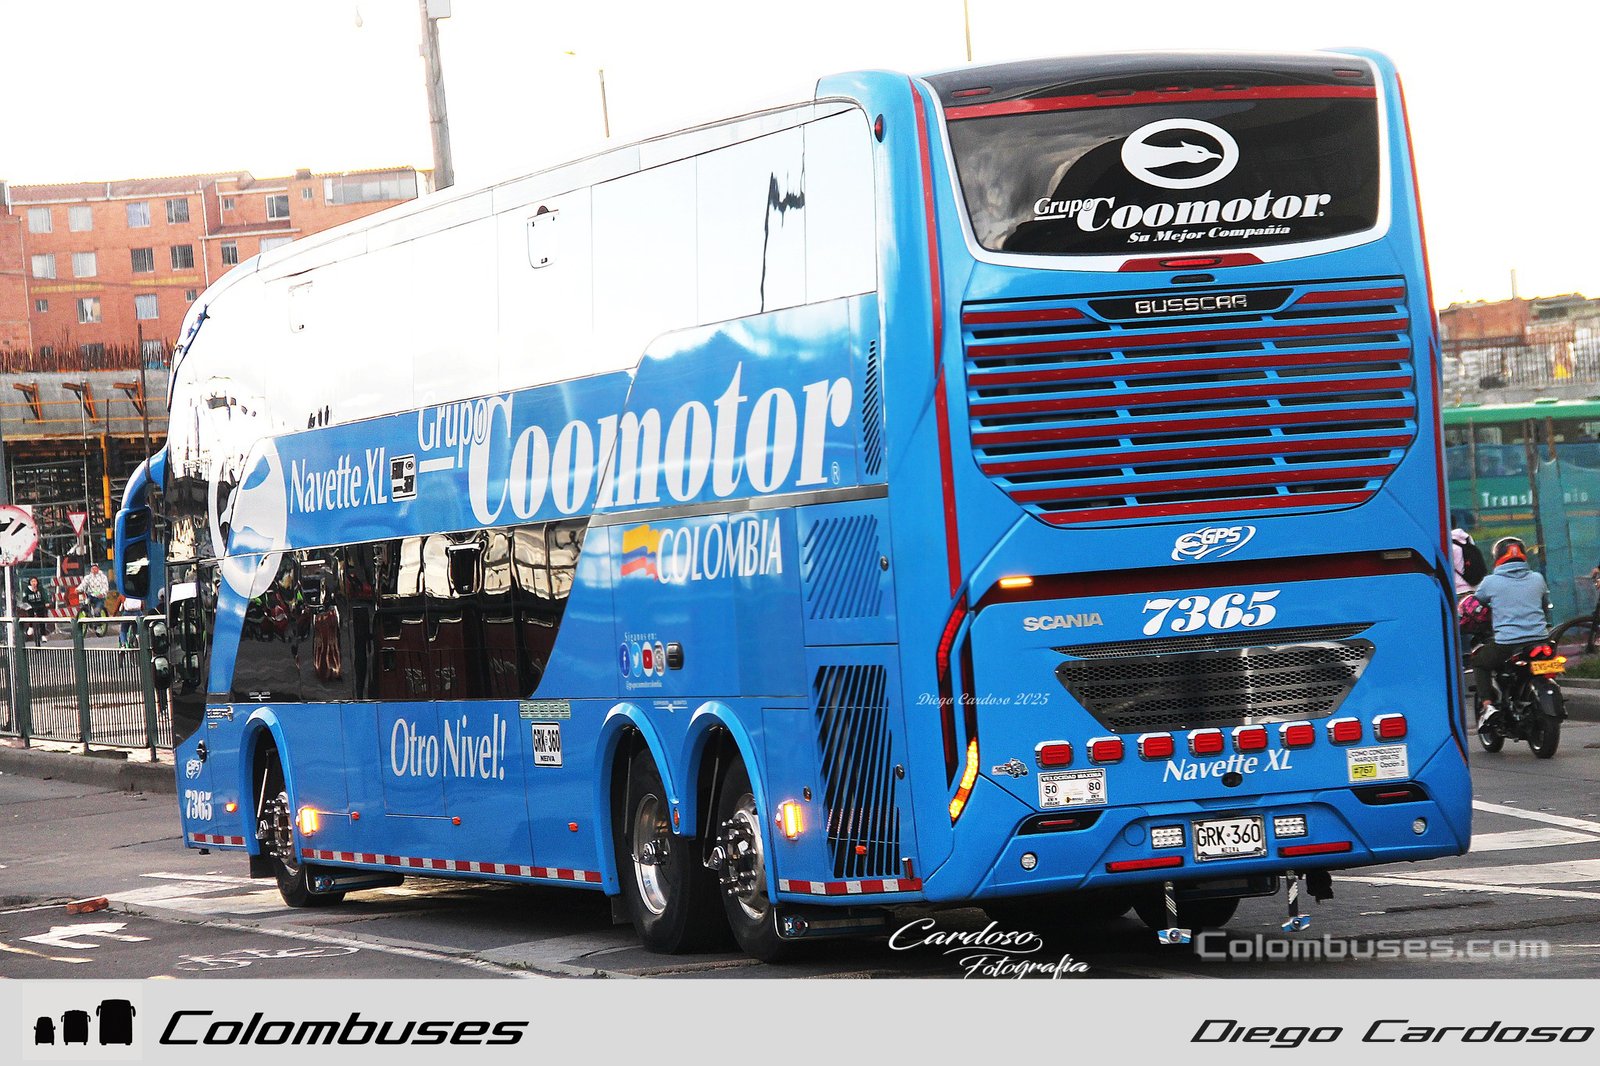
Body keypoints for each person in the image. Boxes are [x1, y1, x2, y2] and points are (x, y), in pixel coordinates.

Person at [1471, 537, 1552, 724]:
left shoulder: (1490, 582)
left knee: (1479, 662)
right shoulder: (1537, 578)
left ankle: (1488, 706)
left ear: (1498, 557)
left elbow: (1476, 605)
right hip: (1540, 640)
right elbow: (1545, 606)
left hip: (1507, 644)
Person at [20, 576, 51, 644]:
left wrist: (47, 602)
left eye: (35, 581)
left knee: (42, 619)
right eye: (32, 581)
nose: (34, 583)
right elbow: (24, 599)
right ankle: (31, 627)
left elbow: (45, 596)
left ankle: (43, 635)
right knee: (30, 612)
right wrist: (25, 604)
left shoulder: (40, 589)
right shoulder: (27, 590)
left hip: (40, 605)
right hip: (31, 605)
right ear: (30, 582)